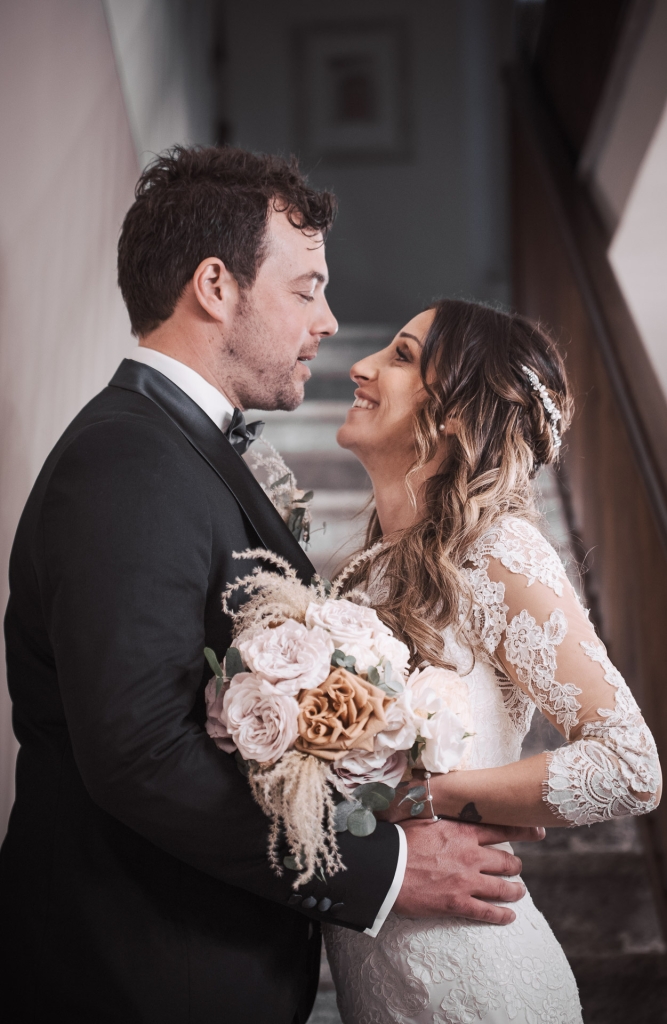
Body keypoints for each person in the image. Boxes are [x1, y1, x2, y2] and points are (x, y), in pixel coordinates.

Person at [0, 148, 542, 1024]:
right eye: (305, 289)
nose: (328, 322)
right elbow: (139, 751)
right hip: (140, 978)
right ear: (216, 287)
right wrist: (384, 869)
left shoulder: (177, 448)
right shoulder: (130, 461)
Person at [324, 299, 663, 1024]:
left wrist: (431, 798)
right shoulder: (363, 574)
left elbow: (630, 767)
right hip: (379, 981)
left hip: (481, 985)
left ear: (454, 414)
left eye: (401, 356)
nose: (360, 366)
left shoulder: (497, 551)